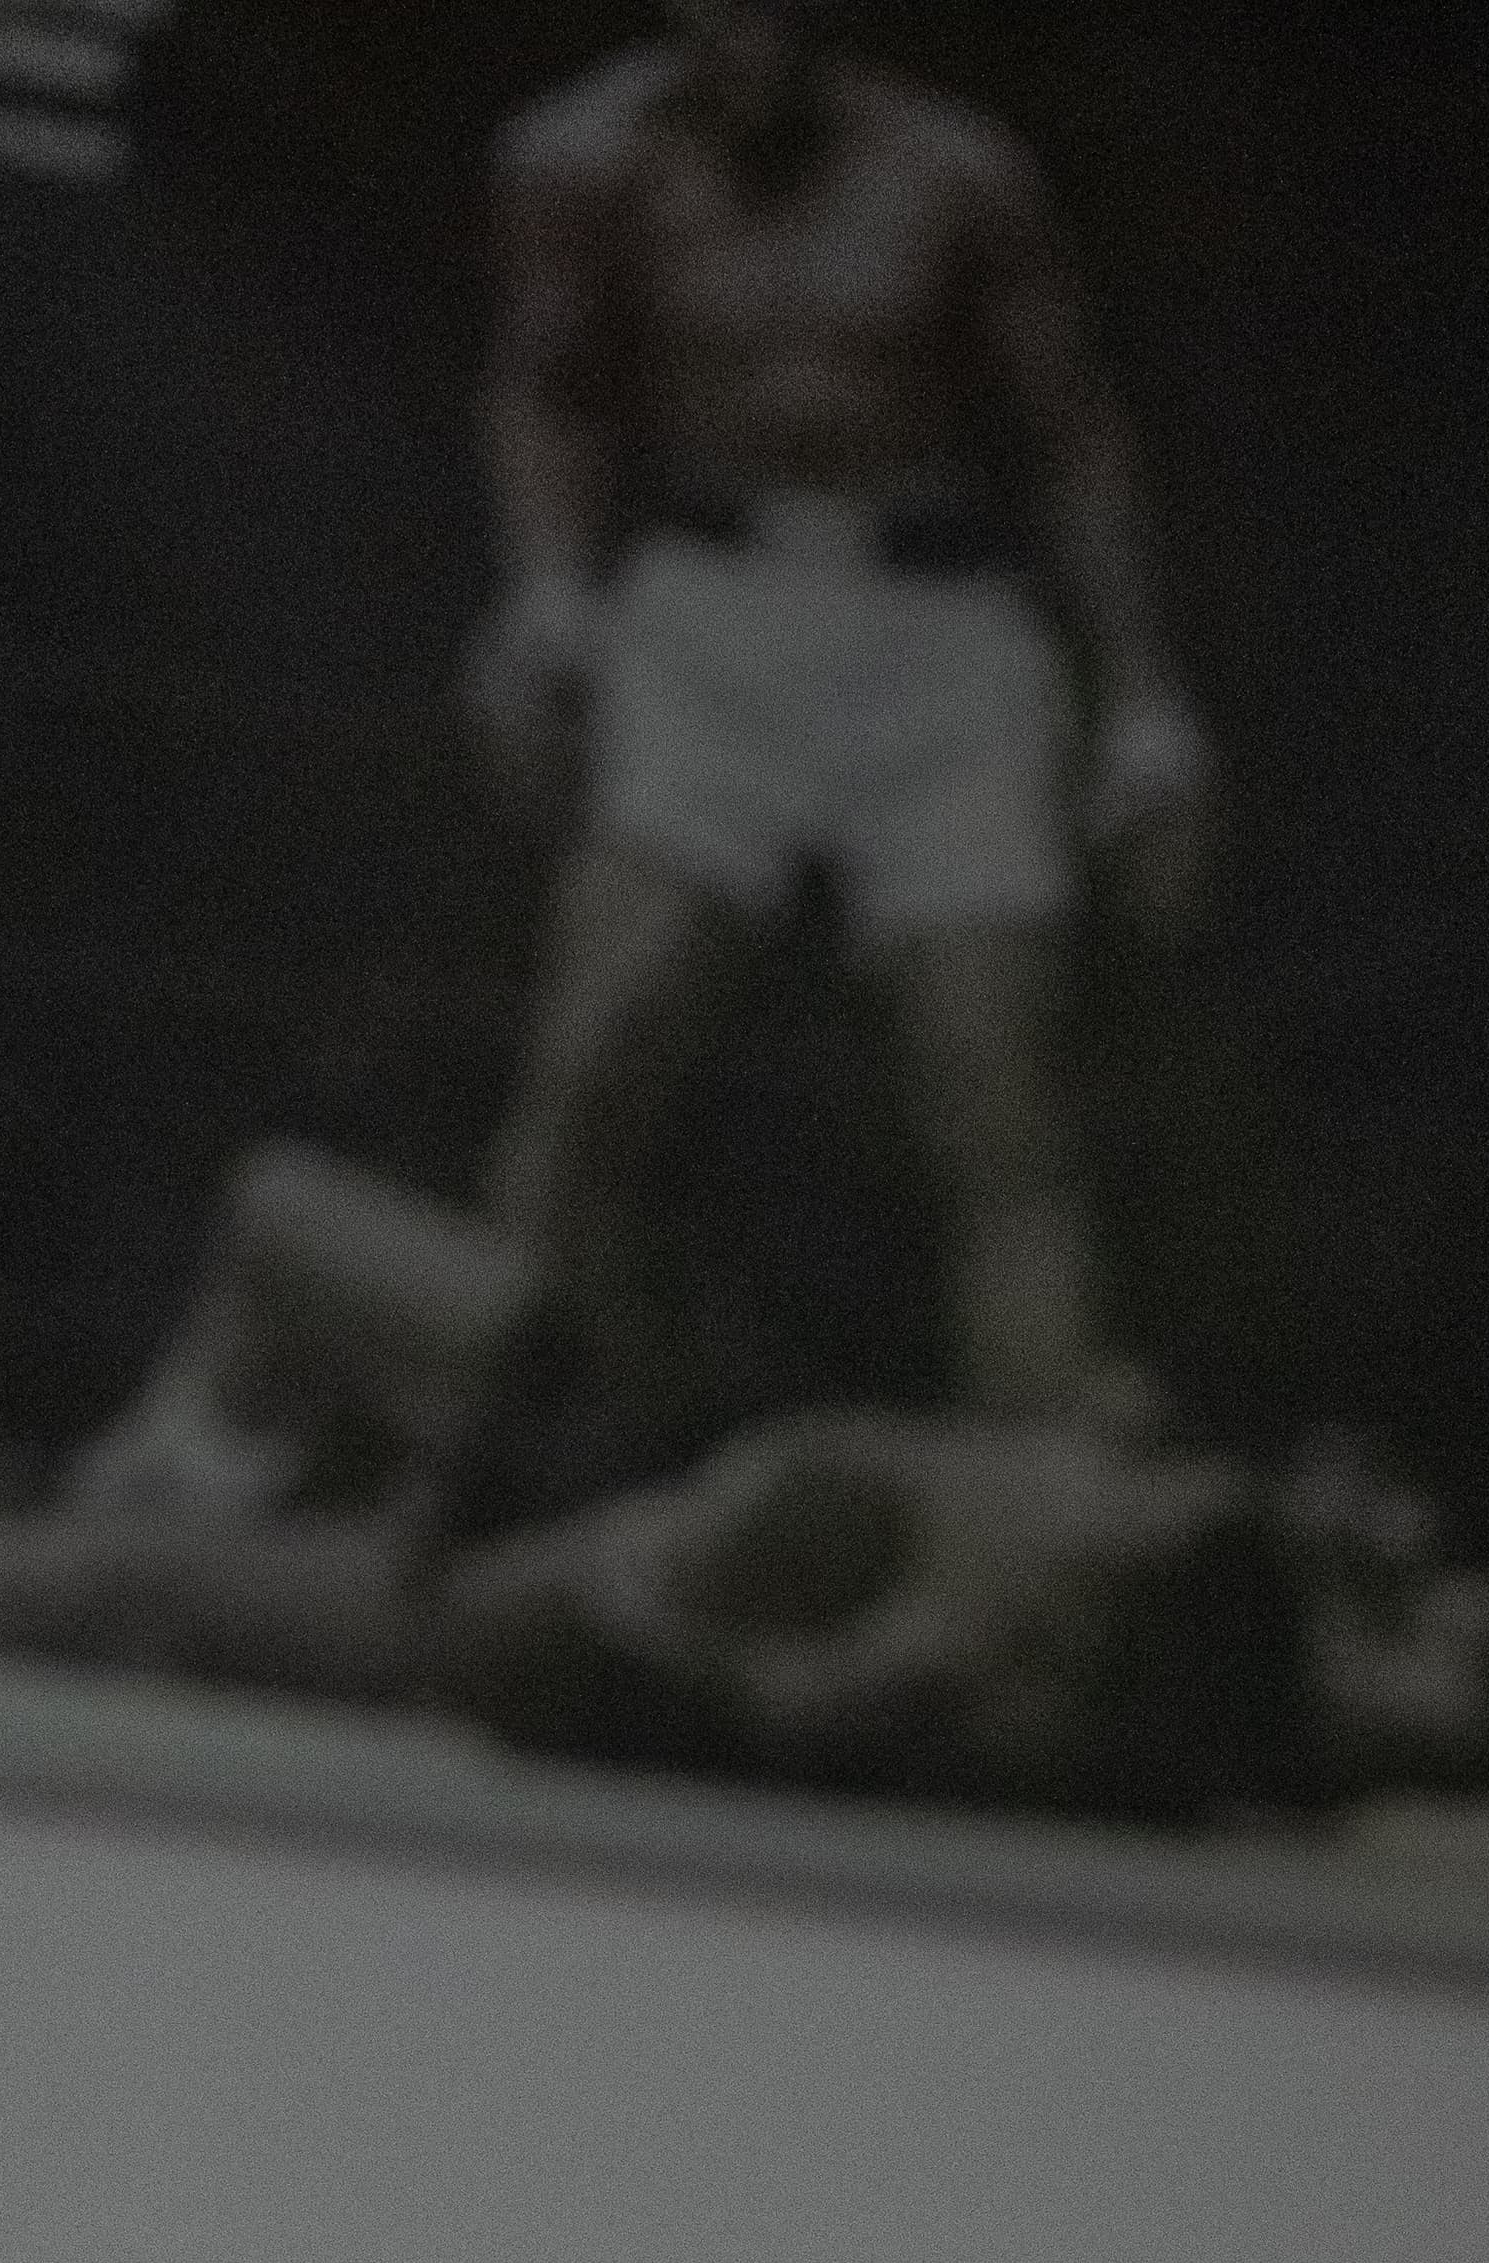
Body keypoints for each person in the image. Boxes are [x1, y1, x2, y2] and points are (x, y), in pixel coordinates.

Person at [460, 1, 1215, 1442]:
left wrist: (1144, 703)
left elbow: (1071, 437)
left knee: (996, 1095)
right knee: (597, 1049)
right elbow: (544, 386)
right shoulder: (575, 155)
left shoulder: (957, 171)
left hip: (937, 636)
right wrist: (545, 592)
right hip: (707, 614)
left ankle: (1041, 1509)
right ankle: (488, 1463)